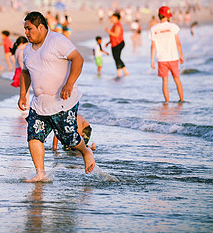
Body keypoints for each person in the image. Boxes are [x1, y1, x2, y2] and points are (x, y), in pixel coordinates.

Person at [18, 11, 95, 182]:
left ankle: (85, 151)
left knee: (69, 139)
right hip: (39, 104)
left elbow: (78, 59)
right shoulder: (27, 50)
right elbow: (25, 72)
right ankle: (40, 173)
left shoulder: (56, 40)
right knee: (34, 136)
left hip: (62, 101)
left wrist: (69, 83)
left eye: (29, 28)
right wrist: (23, 94)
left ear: (40, 27)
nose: (26, 33)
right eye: (25, 29)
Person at [150, 6, 184, 104]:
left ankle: (167, 102)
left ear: (159, 15)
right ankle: (181, 100)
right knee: (177, 79)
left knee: (165, 81)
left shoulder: (154, 29)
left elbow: (153, 46)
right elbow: (178, 43)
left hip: (161, 59)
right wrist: (181, 56)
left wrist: (152, 60)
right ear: (167, 16)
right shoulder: (173, 27)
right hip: (173, 57)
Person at [105, 12, 129, 77]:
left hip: (118, 44)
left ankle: (121, 73)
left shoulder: (117, 25)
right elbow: (114, 36)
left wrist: (108, 31)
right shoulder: (115, 25)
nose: (111, 19)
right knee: (117, 58)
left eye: (113, 18)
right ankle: (124, 72)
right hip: (115, 43)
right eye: (111, 18)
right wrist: (108, 42)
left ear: (117, 18)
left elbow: (116, 35)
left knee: (117, 58)